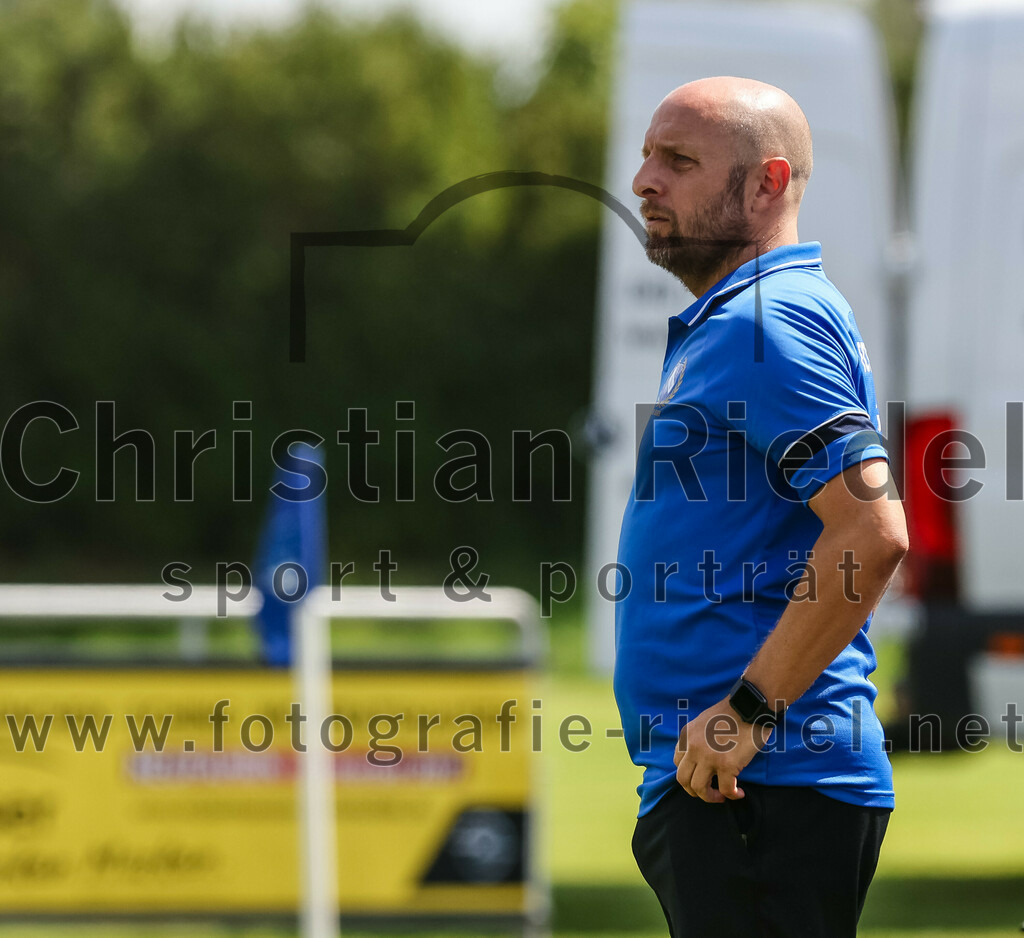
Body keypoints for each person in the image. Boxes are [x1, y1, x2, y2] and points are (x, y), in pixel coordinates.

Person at [613, 76, 909, 937]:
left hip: (765, 782)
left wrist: (748, 712)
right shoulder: (737, 319)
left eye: (679, 160)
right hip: (742, 785)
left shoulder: (762, 323)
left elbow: (873, 528)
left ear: (767, 184)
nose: (643, 183)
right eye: (645, 157)